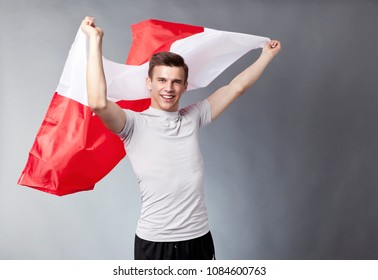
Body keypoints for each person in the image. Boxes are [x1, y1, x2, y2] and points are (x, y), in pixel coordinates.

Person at [81, 16, 281, 260]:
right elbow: (98, 102)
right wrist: (95, 40)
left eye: (176, 82)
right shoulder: (132, 123)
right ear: (149, 83)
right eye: (162, 80)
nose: (169, 88)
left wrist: (266, 56)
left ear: (185, 86)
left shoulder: (193, 117)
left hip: (199, 238)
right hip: (155, 242)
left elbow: (235, 87)